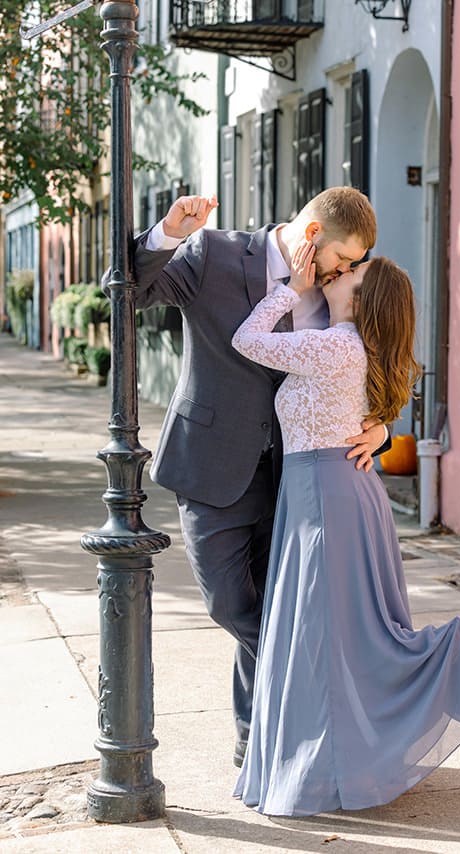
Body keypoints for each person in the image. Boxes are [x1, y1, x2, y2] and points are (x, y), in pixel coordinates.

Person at [229, 248, 460, 816]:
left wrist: (288, 288)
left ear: (363, 299)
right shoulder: (346, 344)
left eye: (353, 274)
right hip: (328, 494)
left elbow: (246, 342)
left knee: (326, 641)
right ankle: (327, 766)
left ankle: (329, 767)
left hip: (328, 499)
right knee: (328, 640)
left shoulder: (336, 345)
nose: (341, 273)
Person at [131, 189, 388, 768]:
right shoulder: (214, 255)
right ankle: (319, 686)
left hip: (300, 475)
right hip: (212, 465)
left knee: (279, 601)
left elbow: (376, 359)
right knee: (232, 606)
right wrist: (167, 234)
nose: (346, 273)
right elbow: (129, 290)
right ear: (313, 235)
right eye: (341, 260)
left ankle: (259, 740)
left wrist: (381, 428)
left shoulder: (339, 290)